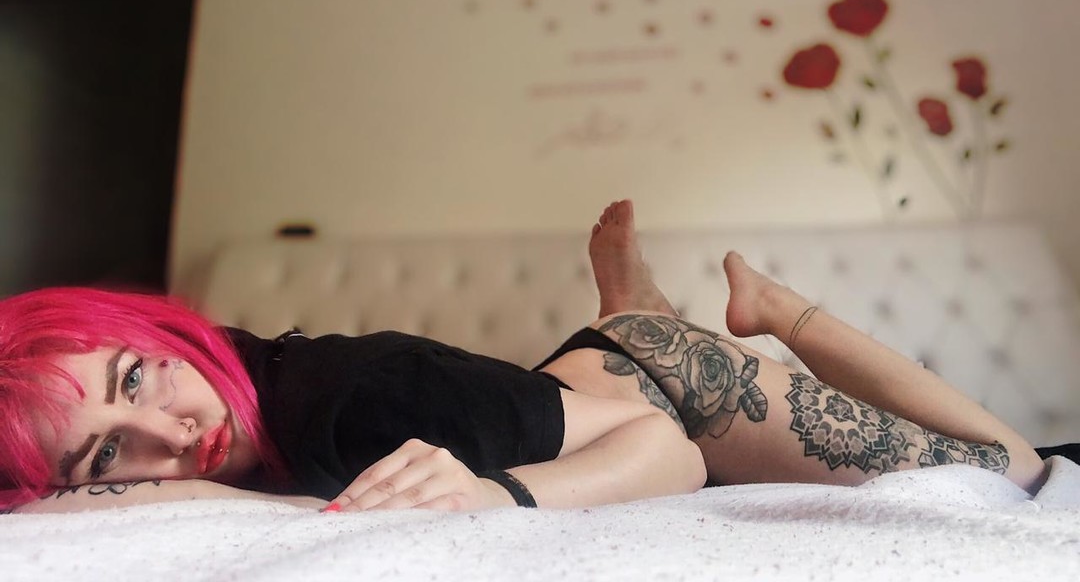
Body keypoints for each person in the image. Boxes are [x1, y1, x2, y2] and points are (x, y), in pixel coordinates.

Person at [0, 201, 1051, 515]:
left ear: (149, 332)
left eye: (134, 379)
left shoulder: (360, 404)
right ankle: (630, 319)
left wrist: (495, 496)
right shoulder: (228, 389)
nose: (171, 434)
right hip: (575, 386)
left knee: (1010, 472)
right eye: (108, 454)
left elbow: (669, 452)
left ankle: (770, 308)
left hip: (675, 392)